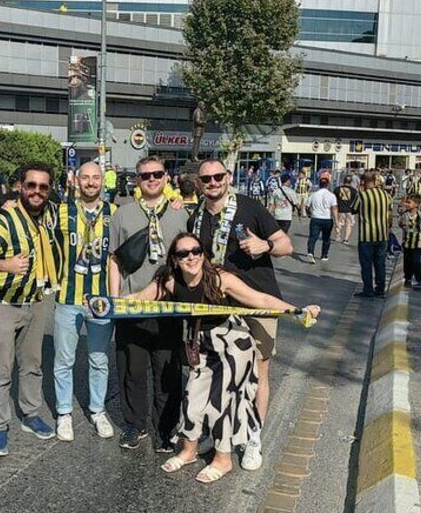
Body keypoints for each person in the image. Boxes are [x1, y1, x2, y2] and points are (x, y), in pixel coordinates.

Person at [127, 233, 320, 484]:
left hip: (233, 343)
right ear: (174, 259)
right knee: (192, 398)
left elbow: (260, 299)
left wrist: (297, 310)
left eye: (196, 250)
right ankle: (188, 451)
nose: (191, 257)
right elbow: (139, 300)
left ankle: (223, 459)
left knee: (221, 403)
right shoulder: (170, 281)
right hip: (202, 345)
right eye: (183, 253)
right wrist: (107, 304)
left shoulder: (220, 279)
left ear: (203, 253)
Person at [190, 158, 294, 471]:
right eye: (206, 179)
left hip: (258, 302)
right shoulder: (196, 218)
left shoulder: (250, 208)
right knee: (223, 372)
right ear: (200, 182)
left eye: (218, 177)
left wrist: (265, 246)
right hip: (220, 306)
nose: (212, 183)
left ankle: (253, 438)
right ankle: (224, 431)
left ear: (228, 177)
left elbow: (285, 244)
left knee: (258, 373)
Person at [0, 163, 60, 457]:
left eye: (43, 187)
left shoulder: (49, 214)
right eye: (31, 185)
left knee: (32, 364)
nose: (37, 192)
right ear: (20, 186)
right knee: (1, 369)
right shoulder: (4, 221)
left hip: (34, 300)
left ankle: (31, 415)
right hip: (0, 305)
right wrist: (5, 265)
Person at [108, 156, 189, 452]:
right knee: (132, 368)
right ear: (137, 181)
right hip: (132, 305)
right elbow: (114, 261)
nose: (151, 179)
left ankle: (165, 429)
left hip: (169, 306)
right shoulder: (122, 215)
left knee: (167, 370)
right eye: (145, 176)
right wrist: (115, 299)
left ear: (166, 177)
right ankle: (134, 424)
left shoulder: (182, 214)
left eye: (157, 174)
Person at [53, 162, 117, 442]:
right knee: (63, 360)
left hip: (101, 300)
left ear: (103, 181)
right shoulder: (61, 211)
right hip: (68, 297)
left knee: (99, 359)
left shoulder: (114, 213)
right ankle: (64, 413)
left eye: (95, 178)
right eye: (85, 178)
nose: (90, 182)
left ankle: (97, 410)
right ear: (76, 181)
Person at [353, 172, 393, 298]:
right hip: (382, 235)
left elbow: (353, 209)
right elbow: (390, 212)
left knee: (366, 264)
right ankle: (380, 290)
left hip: (366, 237)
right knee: (380, 263)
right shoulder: (386, 195)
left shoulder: (362, 196)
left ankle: (368, 290)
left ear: (363, 182)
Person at [398, 193, 421, 290]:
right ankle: (408, 279)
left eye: (409, 202)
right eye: (406, 202)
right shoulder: (404, 215)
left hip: (417, 243)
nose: (407, 204)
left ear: (416, 204)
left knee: (416, 262)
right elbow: (400, 224)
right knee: (407, 262)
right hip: (407, 243)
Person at [305, 178, 338, 264]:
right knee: (326, 238)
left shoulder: (313, 195)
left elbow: (307, 206)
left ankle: (310, 252)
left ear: (319, 185)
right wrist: (337, 221)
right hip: (327, 219)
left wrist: (309, 214)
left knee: (313, 237)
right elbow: (334, 209)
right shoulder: (331, 195)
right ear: (327, 185)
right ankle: (324, 255)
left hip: (315, 218)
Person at [334, 175, 359, 245]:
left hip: (340, 209)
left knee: (339, 223)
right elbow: (356, 200)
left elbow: (334, 198)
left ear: (343, 181)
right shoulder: (354, 190)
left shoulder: (337, 189)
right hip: (350, 210)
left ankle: (338, 235)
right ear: (350, 182)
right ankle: (346, 239)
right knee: (349, 224)